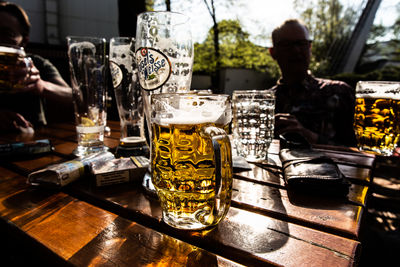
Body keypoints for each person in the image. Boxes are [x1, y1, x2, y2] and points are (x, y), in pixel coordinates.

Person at [268, 19, 357, 147]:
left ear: (310, 48)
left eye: (302, 43)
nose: (296, 50)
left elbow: (359, 151)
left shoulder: (340, 93)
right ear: (273, 52)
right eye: (287, 45)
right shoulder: (264, 102)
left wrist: (308, 137)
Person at [0, 1, 73, 132]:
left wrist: (41, 85)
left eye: (8, 34)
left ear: (24, 41)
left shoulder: (37, 64)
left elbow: (74, 97)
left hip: (36, 141)